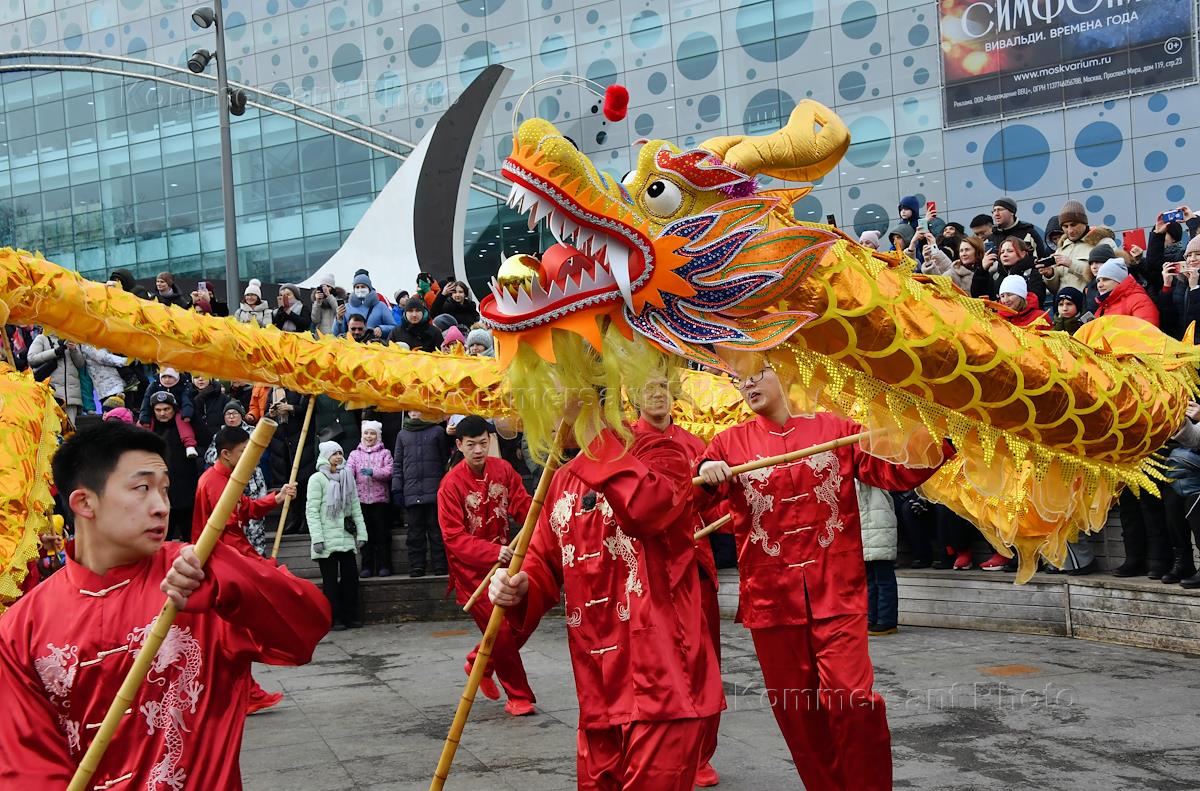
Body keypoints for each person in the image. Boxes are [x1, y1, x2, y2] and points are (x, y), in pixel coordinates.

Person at [0, 422, 329, 787]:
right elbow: (26, 767)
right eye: (142, 489)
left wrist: (228, 581)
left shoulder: (198, 576)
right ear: (84, 502)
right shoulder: (21, 628)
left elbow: (306, 628)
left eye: (166, 490)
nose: (161, 507)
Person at [695, 363, 953, 791]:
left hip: (838, 590)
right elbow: (700, 505)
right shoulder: (728, 443)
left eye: (757, 372)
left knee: (855, 700)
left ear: (785, 370)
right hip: (771, 601)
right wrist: (707, 477)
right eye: (740, 379)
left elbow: (894, 470)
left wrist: (945, 436)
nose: (748, 384)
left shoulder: (835, 429)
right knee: (797, 714)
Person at [489, 404, 723, 791]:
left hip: (663, 684)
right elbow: (542, 561)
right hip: (596, 687)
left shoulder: (659, 454)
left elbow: (647, 509)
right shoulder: (561, 481)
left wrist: (593, 433)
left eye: (547, 398)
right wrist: (519, 585)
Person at [631, 373, 725, 788]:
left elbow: (713, 497)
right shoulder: (623, 445)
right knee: (656, 666)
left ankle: (701, 754)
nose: (657, 396)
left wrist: (717, 478)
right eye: (648, 388)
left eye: (663, 388)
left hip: (693, 564)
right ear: (631, 396)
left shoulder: (694, 444)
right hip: (643, 573)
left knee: (706, 661)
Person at [192, 426, 299, 715]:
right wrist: (257, 564)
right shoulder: (215, 482)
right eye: (243, 452)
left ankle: (243, 692)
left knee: (232, 635)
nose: (248, 457)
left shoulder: (225, 479)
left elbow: (245, 509)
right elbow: (228, 535)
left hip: (225, 565)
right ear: (226, 454)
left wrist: (274, 499)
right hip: (224, 568)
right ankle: (244, 693)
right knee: (232, 635)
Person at [438, 415, 536, 716]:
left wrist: (539, 507)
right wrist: (493, 552)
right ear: (459, 445)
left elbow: (522, 505)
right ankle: (518, 696)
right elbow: (453, 537)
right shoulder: (450, 486)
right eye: (471, 445)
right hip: (472, 572)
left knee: (526, 617)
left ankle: (481, 660)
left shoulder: (504, 470)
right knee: (502, 633)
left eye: (483, 443)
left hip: (506, 565)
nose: (478, 450)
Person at [307, 440, 367, 631]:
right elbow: (312, 511)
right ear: (326, 456)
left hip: (345, 536)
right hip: (326, 539)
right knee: (330, 582)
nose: (338, 457)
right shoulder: (316, 479)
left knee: (351, 578)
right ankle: (335, 617)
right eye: (334, 454)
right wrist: (317, 538)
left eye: (340, 453)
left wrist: (362, 533)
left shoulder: (347, 477)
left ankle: (352, 615)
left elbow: (355, 507)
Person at [393, 410, 449, 577]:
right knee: (415, 533)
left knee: (436, 530)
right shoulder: (402, 435)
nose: (415, 413)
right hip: (411, 491)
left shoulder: (437, 431)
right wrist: (397, 488)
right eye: (411, 410)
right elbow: (397, 464)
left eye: (418, 409)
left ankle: (440, 564)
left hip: (435, 491)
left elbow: (444, 459)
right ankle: (417, 566)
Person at [148, 391, 199, 542]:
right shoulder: (149, 429)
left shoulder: (185, 425)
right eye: (158, 410)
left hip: (186, 491)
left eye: (166, 409)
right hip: (159, 495)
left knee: (190, 538)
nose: (162, 413)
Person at [347, 419, 394, 577]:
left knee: (382, 534)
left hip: (380, 500)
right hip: (361, 501)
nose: (369, 436)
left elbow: (389, 472)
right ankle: (367, 566)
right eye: (366, 433)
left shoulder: (385, 453)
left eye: (372, 433)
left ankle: (384, 565)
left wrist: (373, 472)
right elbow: (348, 472)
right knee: (364, 535)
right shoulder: (354, 454)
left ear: (378, 435)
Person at [859, 481, 900, 636]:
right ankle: (872, 618)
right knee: (869, 579)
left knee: (883, 579)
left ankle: (886, 620)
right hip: (865, 534)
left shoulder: (877, 479)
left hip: (880, 534)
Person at [27, 332, 86, 423]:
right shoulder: (42, 338)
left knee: (70, 431)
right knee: (53, 431)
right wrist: (54, 352)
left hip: (71, 397)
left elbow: (80, 364)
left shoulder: (70, 338)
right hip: (51, 396)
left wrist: (74, 350)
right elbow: (32, 359)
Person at [1039, 200, 1094, 294]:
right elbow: (1054, 289)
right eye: (1065, 226)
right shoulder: (1060, 248)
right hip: (1064, 305)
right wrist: (1050, 275)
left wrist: (1071, 264)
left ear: (1084, 223)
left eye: (1073, 225)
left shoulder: (1101, 242)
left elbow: (1105, 275)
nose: (1070, 230)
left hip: (1089, 304)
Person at [1155, 235, 1200, 341]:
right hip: (1180, 346)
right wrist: (1167, 286)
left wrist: (1195, 288)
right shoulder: (1182, 282)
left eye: (1198, 254)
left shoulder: (1191, 283)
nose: (1192, 259)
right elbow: (1168, 321)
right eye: (1188, 255)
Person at [1094, 257, 1160, 326]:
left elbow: (1147, 333)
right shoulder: (1104, 305)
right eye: (1098, 281)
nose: (1099, 285)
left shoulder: (1140, 301)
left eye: (1105, 279)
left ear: (1120, 280)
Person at [338, 271, 395, 338]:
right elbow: (337, 333)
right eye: (357, 287)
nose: (360, 289)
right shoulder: (347, 307)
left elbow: (393, 327)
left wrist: (381, 329)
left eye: (363, 286)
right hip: (352, 346)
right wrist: (339, 319)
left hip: (373, 345)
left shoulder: (380, 306)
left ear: (369, 288)